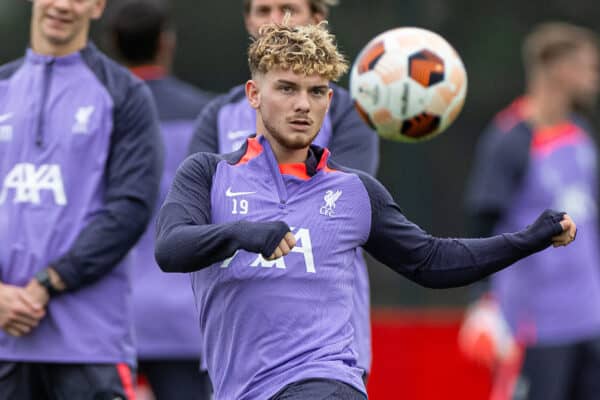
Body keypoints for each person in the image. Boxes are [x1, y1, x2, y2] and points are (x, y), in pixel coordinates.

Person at [155, 20, 576, 400]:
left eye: (316, 91)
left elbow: (431, 261)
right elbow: (171, 248)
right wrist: (243, 233)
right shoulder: (208, 174)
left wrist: (528, 239)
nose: (303, 104)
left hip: (327, 380)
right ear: (254, 94)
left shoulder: (353, 190)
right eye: (287, 88)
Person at [188, 0, 378, 377]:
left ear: (319, 20)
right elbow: (193, 215)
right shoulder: (218, 114)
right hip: (239, 345)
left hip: (328, 348)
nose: (275, 21)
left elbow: (346, 202)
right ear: (246, 21)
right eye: (263, 10)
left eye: (288, 8)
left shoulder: (345, 111)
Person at [0, 0, 162, 399]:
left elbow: (130, 209)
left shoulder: (125, 93)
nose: (61, 6)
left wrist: (45, 285)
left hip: (90, 343)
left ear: (97, 6)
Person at [464, 22, 600, 400]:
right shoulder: (510, 139)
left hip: (590, 321)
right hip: (534, 326)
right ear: (558, 68)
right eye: (589, 67)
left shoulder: (580, 133)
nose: (594, 77)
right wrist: (483, 302)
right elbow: (482, 222)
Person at [107, 0, 213, 398]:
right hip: (186, 318)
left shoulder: (96, 117)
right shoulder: (209, 116)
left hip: (109, 318)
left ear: (113, 42)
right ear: (167, 43)